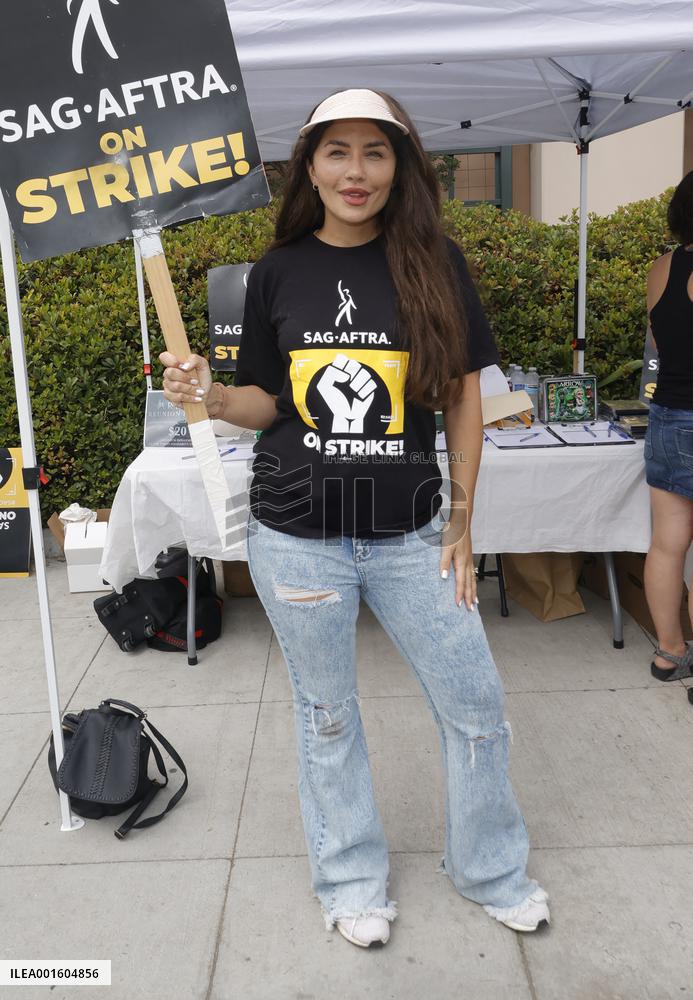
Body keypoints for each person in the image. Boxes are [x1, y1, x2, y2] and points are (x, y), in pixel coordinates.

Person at [160, 89, 549, 948]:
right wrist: (212, 394)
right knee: (326, 715)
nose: (355, 171)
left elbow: (461, 404)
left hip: (410, 534)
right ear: (309, 166)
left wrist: (462, 520)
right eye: (336, 152)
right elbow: (267, 401)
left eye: (374, 152)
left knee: (476, 704)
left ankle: (487, 867)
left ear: (400, 164)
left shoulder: (435, 262)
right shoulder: (278, 270)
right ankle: (350, 881)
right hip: (296, 537)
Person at [644, 170, 693, 681]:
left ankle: (669, 652)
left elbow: (661, 339)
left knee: (667, 543)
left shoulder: (662, 268)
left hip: (667, 415)